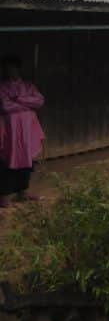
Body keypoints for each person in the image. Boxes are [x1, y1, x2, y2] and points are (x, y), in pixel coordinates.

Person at [0, 55, 45, 207]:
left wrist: (18, 100)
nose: (10, 71)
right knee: (7, 159)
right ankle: (4, 196)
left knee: (27, 159)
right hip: (10, 130)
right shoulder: (2, 87)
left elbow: (39, 101)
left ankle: (22, 192)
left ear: (19, 69)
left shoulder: (29, 86)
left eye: (13, 68)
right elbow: (5, 106)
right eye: (7, 68)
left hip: (27, 130)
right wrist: (27, 103)